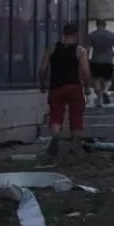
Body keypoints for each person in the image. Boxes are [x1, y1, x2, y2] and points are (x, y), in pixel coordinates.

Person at [38, 23, 91, 160]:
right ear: (76, 34)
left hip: (56, 87)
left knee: (55, 115)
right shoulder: (80, 50)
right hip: (74, 86)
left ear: (63, 34)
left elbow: (42, 69)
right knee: (76, 115)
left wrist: (43, 84)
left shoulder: (52, 48)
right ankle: (74, 147)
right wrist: (87, 87)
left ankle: (56, 136)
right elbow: (85, 71)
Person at [87, 20, 114, 106]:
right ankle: (105, 91)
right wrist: (112, 55)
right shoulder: (111, 35)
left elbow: (87, 49)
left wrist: (86, 59)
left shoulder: (92, 35)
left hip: (96, 61)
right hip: (108, 61)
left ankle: (99, 101)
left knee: (97, 80)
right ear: (105, 25)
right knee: (108, 80)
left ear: (96, 25)